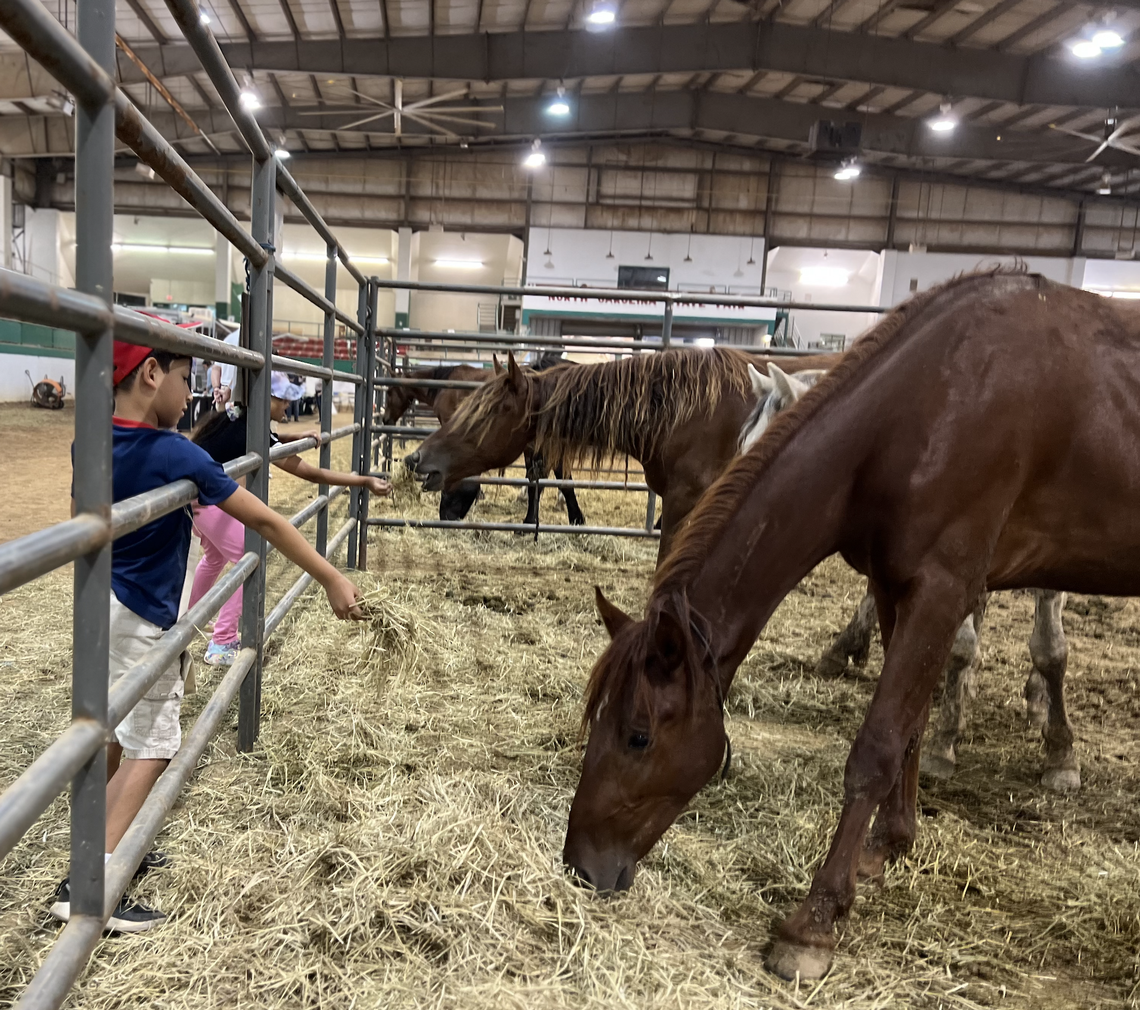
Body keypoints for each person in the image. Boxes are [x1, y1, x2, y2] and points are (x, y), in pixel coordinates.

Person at [53, 343, 364, 933]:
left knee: (119, 729)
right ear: (150, 374)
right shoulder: (174, 452)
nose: (190, 393)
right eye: (184, 376)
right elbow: (267, 520)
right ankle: (86, 886)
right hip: (144, 613)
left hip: (100, 604)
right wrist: (328, 576)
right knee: (154, 744)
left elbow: (80, 523)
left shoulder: (88, 439)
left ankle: (104, 844)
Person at [187, 372, 391, 666]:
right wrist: (363, 480)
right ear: (266, 399)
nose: (288, 406)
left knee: (215, 557)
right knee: (248, 553)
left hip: (198, 498)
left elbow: (268, 440)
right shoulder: (251, 428)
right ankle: (222, 641)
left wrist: (291, 437)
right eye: (283, 399)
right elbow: (311, 473)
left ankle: (192, 620)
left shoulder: (241, 420)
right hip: (207, 502)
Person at [208, 327, 241, 408]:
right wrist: (229, 389)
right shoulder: (247, 340)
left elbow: (216, 368)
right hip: (236, 391)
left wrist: (216, 388)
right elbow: (240, 371)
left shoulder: (228, 338)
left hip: (223, 389)